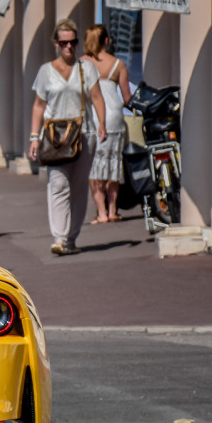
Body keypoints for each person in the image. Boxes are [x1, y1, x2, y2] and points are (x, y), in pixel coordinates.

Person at [27, 20, 108, 255]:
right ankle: (60, 238)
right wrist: (34, 137)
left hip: (84, 133)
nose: (69, 47)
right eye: (64, 43)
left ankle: (72, 238)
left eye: (73, 42)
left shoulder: (87, 68)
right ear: (56, 43)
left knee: (79, 186)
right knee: (58, 184)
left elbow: (96, 97)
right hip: (55, 137)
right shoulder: (46, 71)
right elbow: (38, 106)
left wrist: (102, 123)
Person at [83, 24, 132, 223]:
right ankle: (113, 211)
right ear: (106, 41)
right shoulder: (118, 64)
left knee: (93, 166)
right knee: (113, 164)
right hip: (114, 116)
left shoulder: (82, 63)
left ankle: (101, 213)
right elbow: (127, 97)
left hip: (92, 118)